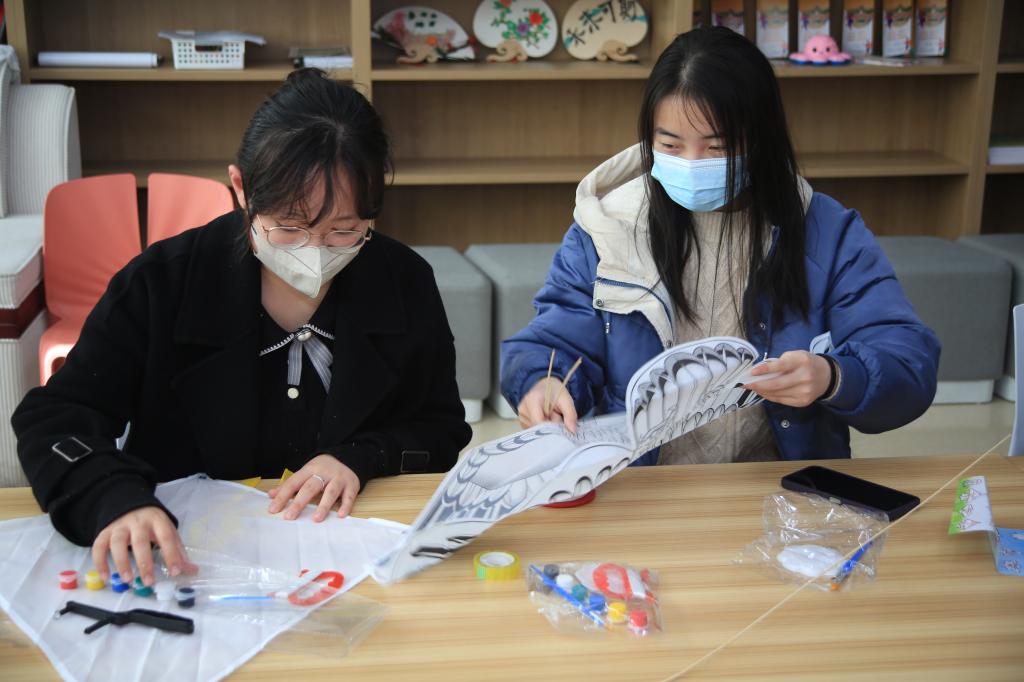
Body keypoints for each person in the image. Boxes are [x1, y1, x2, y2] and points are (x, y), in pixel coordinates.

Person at [13, 69, 471, 587]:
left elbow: (441, 431)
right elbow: (55, 418)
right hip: (189, 561)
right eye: (289, 228)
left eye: (343, 231)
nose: (314, 252)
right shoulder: (163, 282)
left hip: (345, 558)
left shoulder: (404, 282)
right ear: (241, 188)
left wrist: (361, 458)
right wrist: (112, 498)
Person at [501, 27, 939, 466]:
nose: (691, 164)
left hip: (778, 483)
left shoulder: (826, 232)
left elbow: (906, 362)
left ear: (761, 140)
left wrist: (835, 377)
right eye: (670, 145)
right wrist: (543, 382)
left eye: (718, 147)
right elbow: (554, 340)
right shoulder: (608, 227)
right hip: (639, 481)